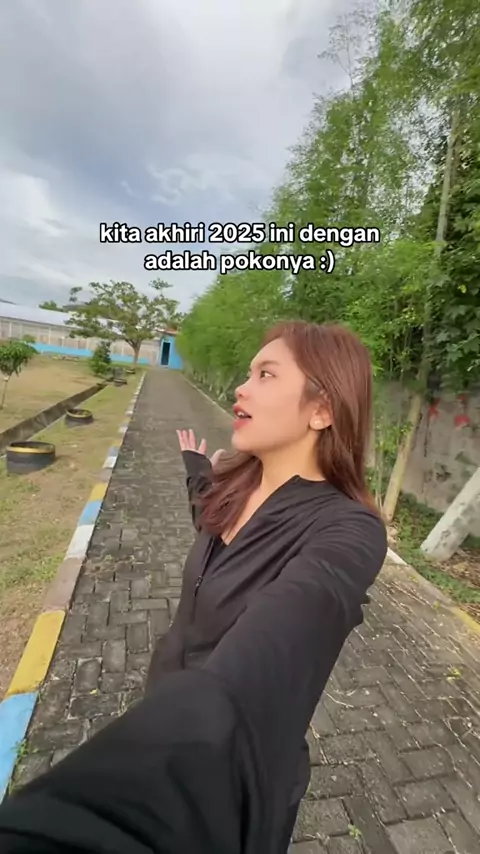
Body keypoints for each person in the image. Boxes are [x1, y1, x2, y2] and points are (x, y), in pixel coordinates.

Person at [146, 320, 388, 850]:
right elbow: (208, 518)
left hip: (229, 781)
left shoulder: (347, 530)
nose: (241, 386)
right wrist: (196, 469)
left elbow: (290, 618)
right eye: (248, 372)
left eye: (266, 375)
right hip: (161, 714)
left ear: (322, 410)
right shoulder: (237, 482)